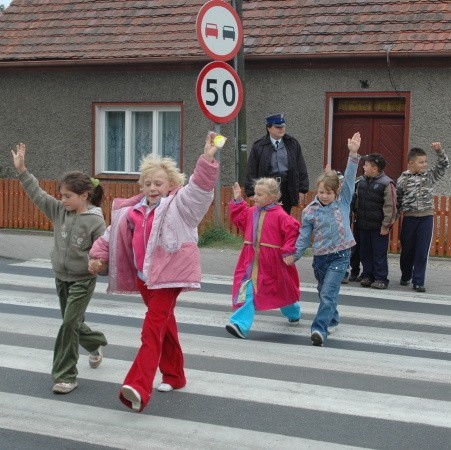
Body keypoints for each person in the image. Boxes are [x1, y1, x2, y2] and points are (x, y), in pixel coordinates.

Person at [88, 132, 220, 413]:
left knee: (151, 329)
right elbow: (111, 235)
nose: (152, 187)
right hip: (145, 278)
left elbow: (199, 189)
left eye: (158, 182)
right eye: (147, 183)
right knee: (165, 325)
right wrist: (97, 256)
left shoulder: (181, 205)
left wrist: (207, 159)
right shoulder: (131, 211)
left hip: (169, 277)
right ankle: (175, 375)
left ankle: (138, 385)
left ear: (171, 184)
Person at [11, 143, 107, 394]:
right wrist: (22, 171)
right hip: (61, 277)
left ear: (84, 196)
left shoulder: (96, 222)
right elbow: (38, 194)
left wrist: (100, 265)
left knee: (67, 326)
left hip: (83, 280)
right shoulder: (58, 211)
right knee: (71, 323)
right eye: (61, 196)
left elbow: (106, 254)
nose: (62, 200)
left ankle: (66, 375)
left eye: (68, 196)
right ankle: (96, 343)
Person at [286, 132, 361, 347]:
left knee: (328, 293)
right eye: (321, 192)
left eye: (329, 192)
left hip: (340, 256)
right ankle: (333, 318)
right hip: (320, 258)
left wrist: (353, 154)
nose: (325, 195)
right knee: (323, 292)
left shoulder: (343, 201)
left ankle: (319, 329)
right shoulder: (310, 211)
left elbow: (349, 177)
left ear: (336, 192)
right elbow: (303, 237)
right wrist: (295, 255)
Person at [225, 177, 301, 339]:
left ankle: (293, 310)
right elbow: (240, 220)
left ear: (272, 197)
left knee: (282, 290)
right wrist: (238, 200)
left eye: (260, 194)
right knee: (250, 290)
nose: (255, 197)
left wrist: (288, 251)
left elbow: (292, 232)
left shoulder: (280, 215)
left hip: (272, 262)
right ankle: (240, 324)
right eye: (255, 194)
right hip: (251, 260)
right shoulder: (252, 212)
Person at [396, 142, 449, 292]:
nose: (425, 164)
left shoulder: (429, 176)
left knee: (422, 250)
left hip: (426, 217)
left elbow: (443, 166)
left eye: (426, 161)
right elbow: (398, 200)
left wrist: (439, 151)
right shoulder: (402, 180)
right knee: (407, 250)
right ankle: (406, 275)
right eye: (421, 162)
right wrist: (393, 217)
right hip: (409, 218)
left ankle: (418, 281)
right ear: (411, 163)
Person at [244, 113, 309, 215]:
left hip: (287, 187)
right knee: (267, 216)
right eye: (278, 127)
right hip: (267, 187)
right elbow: (251, 169)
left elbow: (301, 166)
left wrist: (301, 189)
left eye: (283, 127)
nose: (281, 129)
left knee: (284, 216)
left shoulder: (292, 143)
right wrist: (251, 191)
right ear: (269, 128)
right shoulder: (259, 146)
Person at [354, 153, 397, 290]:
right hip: (363, 224)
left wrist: (386, 225)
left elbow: (390, 206)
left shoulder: (386, 183)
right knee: (365, 252)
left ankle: (381, 278)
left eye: (366, 165)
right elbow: (356, 200)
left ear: (374, 168)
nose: (363, 167)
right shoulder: (361, 181)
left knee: (379, 252)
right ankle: (367, 275)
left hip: (379, 227)